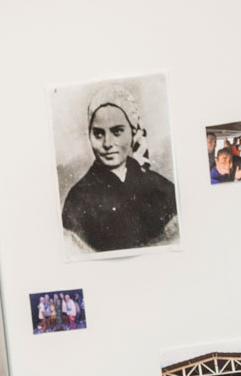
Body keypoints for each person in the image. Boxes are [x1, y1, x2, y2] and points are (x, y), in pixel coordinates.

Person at [62, 89, 178, 253]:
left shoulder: (160, 187)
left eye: (117, 131)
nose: (107, 143)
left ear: (133, 132)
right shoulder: (78, 198)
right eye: (98, 133)